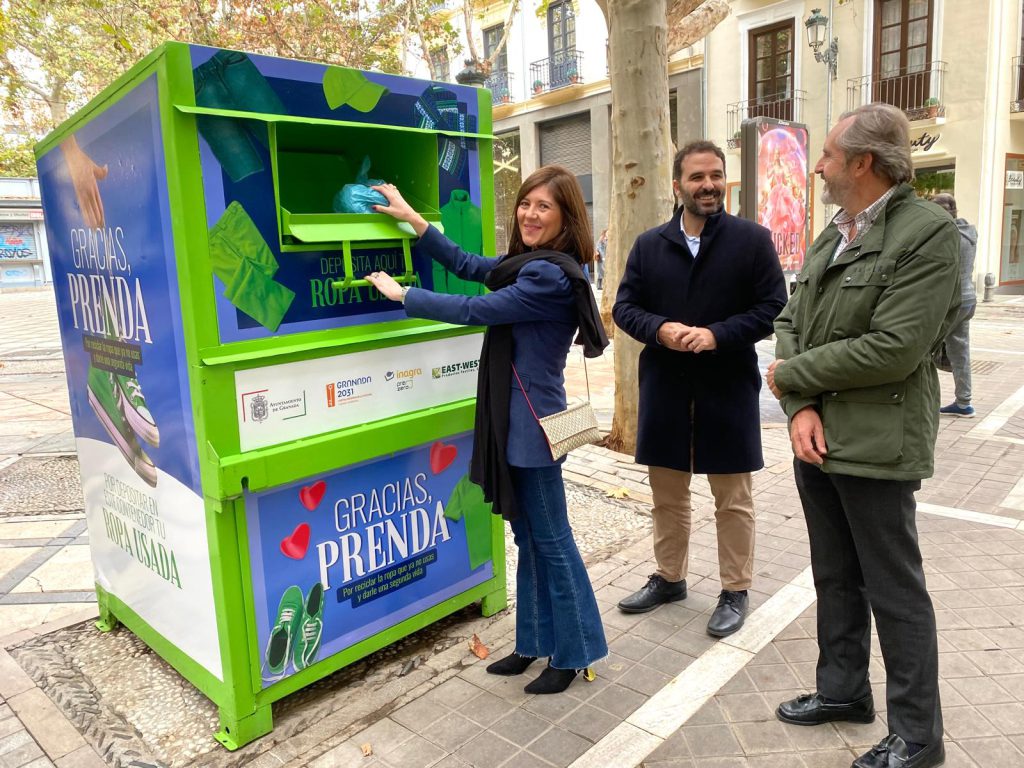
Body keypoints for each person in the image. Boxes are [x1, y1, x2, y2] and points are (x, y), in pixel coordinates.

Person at [365, 166, 609, 695]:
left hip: (532, 428)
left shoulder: (548, 275)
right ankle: (533, 642)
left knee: (552, 541)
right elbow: (473, 266)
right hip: (514, 421)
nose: (529, 213)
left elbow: (479, 308)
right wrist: (412, 218)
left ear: (567, 216)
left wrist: (403, 295)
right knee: (527, 536)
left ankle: (574, 650)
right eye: (525, 203)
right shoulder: (529, 264)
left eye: (544, 206)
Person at [767, 103, 959, 768]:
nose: (817, 166)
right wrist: (800, 405)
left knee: (893, 588)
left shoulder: (926, 234)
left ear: (864, 164)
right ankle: (843, 692)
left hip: (879, 441)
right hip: (817, 434)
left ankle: (919, 737)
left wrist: (794, 376)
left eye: (826, 155)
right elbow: (793, 317)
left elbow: (896, 348)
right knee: (835, 576)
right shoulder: (836, 231)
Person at [612, 141, 787, 637]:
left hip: (726, 386)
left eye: (715, 175)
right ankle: (670, 578)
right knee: (667, 496)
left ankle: (736, 588)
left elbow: (774, 306)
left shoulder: (752, 240)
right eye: (696, 177)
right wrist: (661, 329)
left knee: (732, 499)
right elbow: (625, 307)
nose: (708, 185)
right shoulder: (649, 244)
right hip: (666, 388)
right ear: (677, 186)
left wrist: (717, 335)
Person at [931, 193, 978, 417]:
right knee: (960, 351)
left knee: (923, 348)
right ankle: (963, 402)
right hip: (968, 299)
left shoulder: (946, 236)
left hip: (951, 301)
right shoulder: (970, 232)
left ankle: (925, 402)